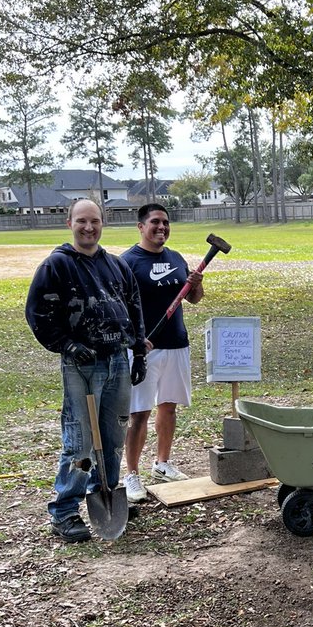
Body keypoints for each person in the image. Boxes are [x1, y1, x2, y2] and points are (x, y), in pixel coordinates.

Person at [25, 199, 147, 543]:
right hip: (82, 366)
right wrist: (67, 344)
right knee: (79, 442)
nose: (89, 227)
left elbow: (135, 310)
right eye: (82, 221)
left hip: (117, 361)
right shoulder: (57, 266)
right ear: (69, 223)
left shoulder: (117, 266)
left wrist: (139, 352)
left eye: (94, 221)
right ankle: (64, 511)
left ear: (103, 223)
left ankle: (105, 491)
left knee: (112, 438)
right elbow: (37, 314)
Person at [120, 203, 204, 502]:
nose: (162, 227)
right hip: (144, 349)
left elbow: (193, 299)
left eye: (166, 223)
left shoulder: (176, 258)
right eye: (155, 222)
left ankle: (162, 464)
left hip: (176, 343)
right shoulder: (127, 262)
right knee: (138, 413)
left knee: (168, 407)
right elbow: (118, 308)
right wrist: (134, 340)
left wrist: (196, 285)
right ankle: (131, 474)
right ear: (140, 226)